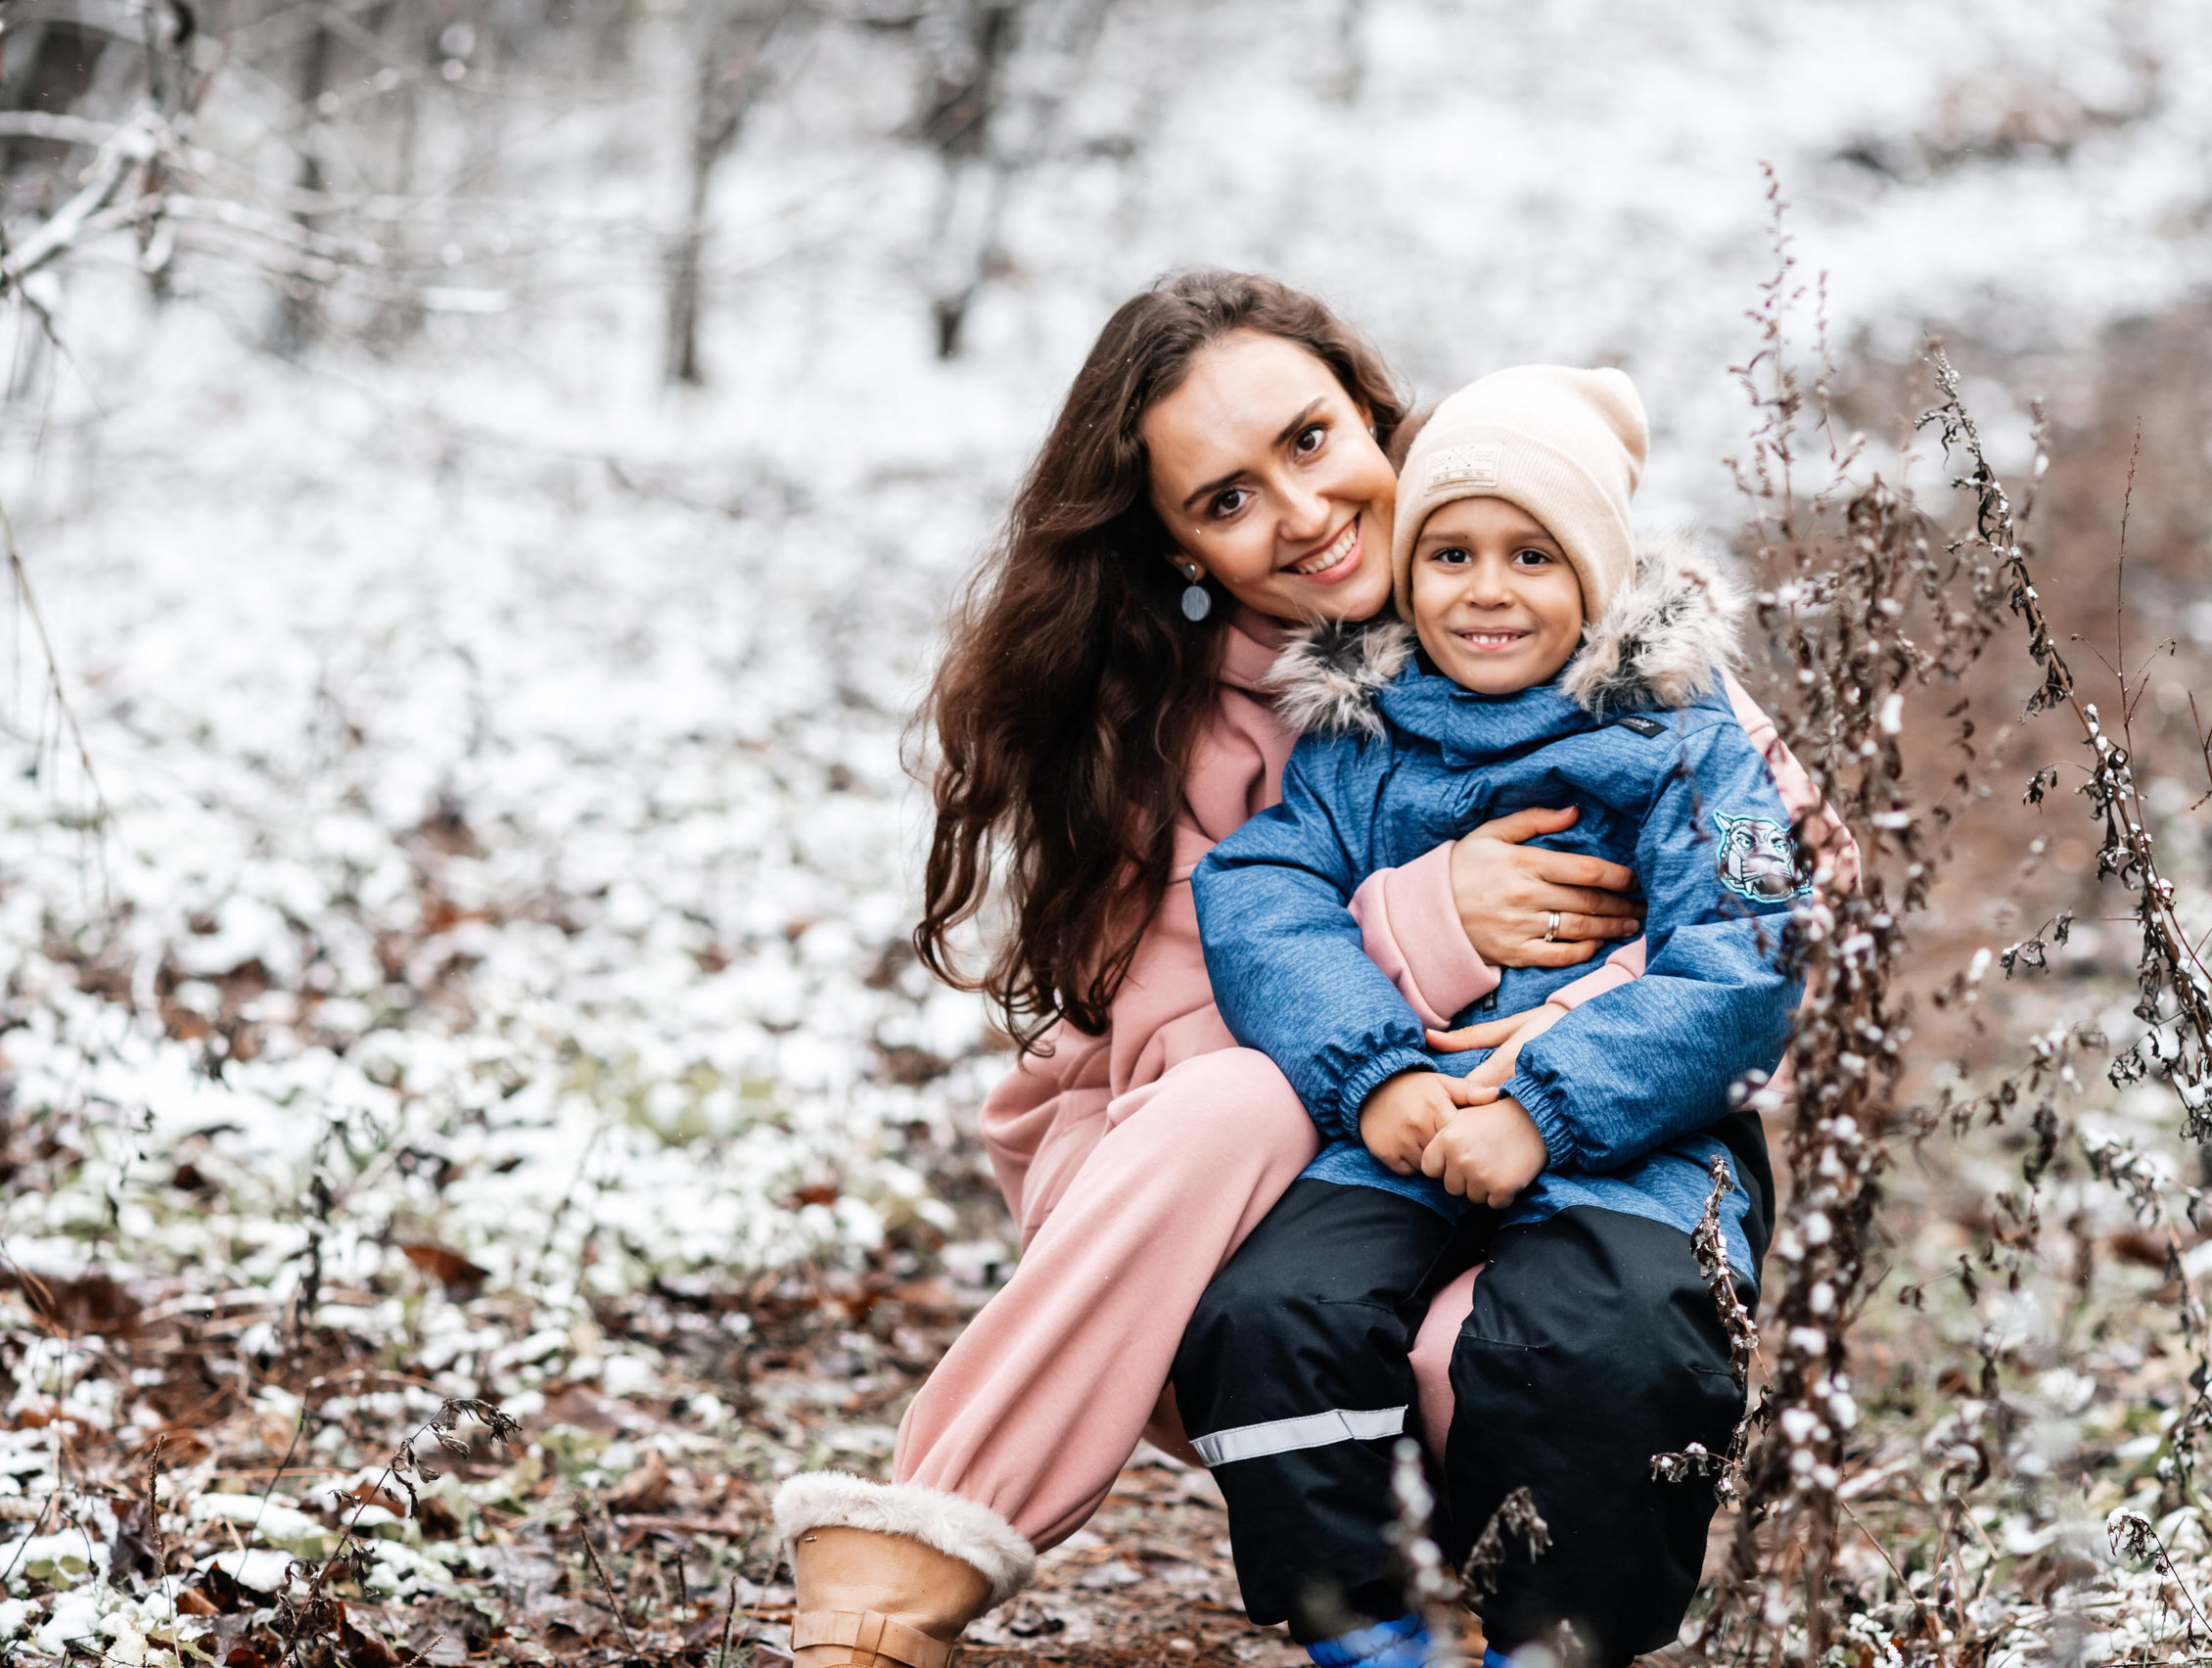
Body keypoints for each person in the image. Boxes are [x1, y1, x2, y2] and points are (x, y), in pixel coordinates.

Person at [768, 274, 1837, 1668]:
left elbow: (1789, 890)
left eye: (1312, 441)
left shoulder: (1572, 600)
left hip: (1531, 1140)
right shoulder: (1175, 719)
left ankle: (1505, 1601)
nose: (1303, 511)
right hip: (1195, 1174)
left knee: (1523, 1347)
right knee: (1251, 1127)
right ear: (1181, 551)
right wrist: (1435, 923)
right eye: (1225, 501)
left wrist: (1553, 1067)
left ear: (1374, 417)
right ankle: (904, 1560)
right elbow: (1190, 1031)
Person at [1175, 366, 1806, 1668]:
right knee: (1271, 1316)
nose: (1489, 588)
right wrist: (1375, 1078)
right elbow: (1262, 895)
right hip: (1398, 1125)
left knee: (1614, 1342)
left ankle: (1557, 1639)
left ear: (1596, 570)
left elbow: (1747, 950)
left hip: (1636, 1136)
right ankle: (1368, 1630)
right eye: (1450, 553)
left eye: (1533, 553)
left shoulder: (1683, 737)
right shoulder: (1365, 733)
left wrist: (1548, 1101)